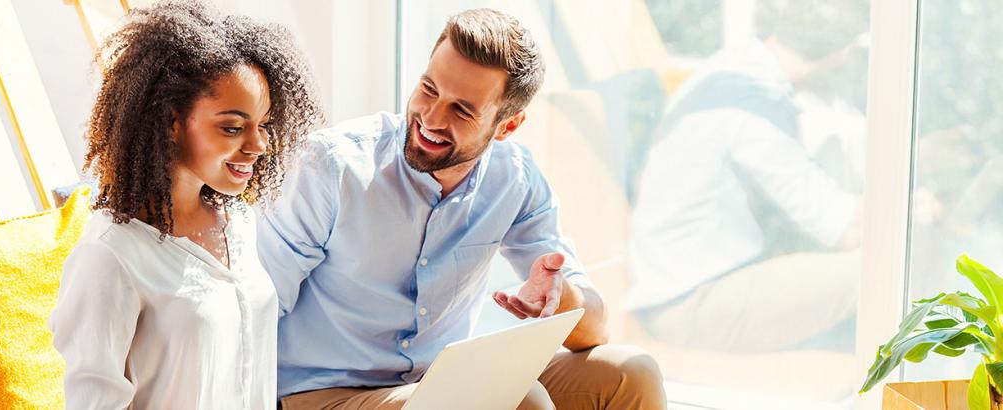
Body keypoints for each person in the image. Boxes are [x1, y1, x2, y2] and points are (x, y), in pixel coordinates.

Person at [258, 8, 665, 410]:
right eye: (429, 89)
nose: (431, 118)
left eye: (462, 109)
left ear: (507, 126)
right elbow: (257, 304)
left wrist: (562, 297)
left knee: (630, 373)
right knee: (514, 400)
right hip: (323, 395)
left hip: (438, 383)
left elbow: (595, 331)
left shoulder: (515, 180)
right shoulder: (330, 166)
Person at [48, 2, 320, 408]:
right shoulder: (109, 257)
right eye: (233, 127)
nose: (259, 145)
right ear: (171, 122)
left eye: (263, 125)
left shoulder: (238, 222)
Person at [627, 0, 868, 354]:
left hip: (681, 286)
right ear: (844, 53)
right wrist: (911, 211)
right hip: (694, 303)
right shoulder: (753, 105)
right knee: (878, 272)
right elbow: (841, 230)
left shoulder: (735, 68)